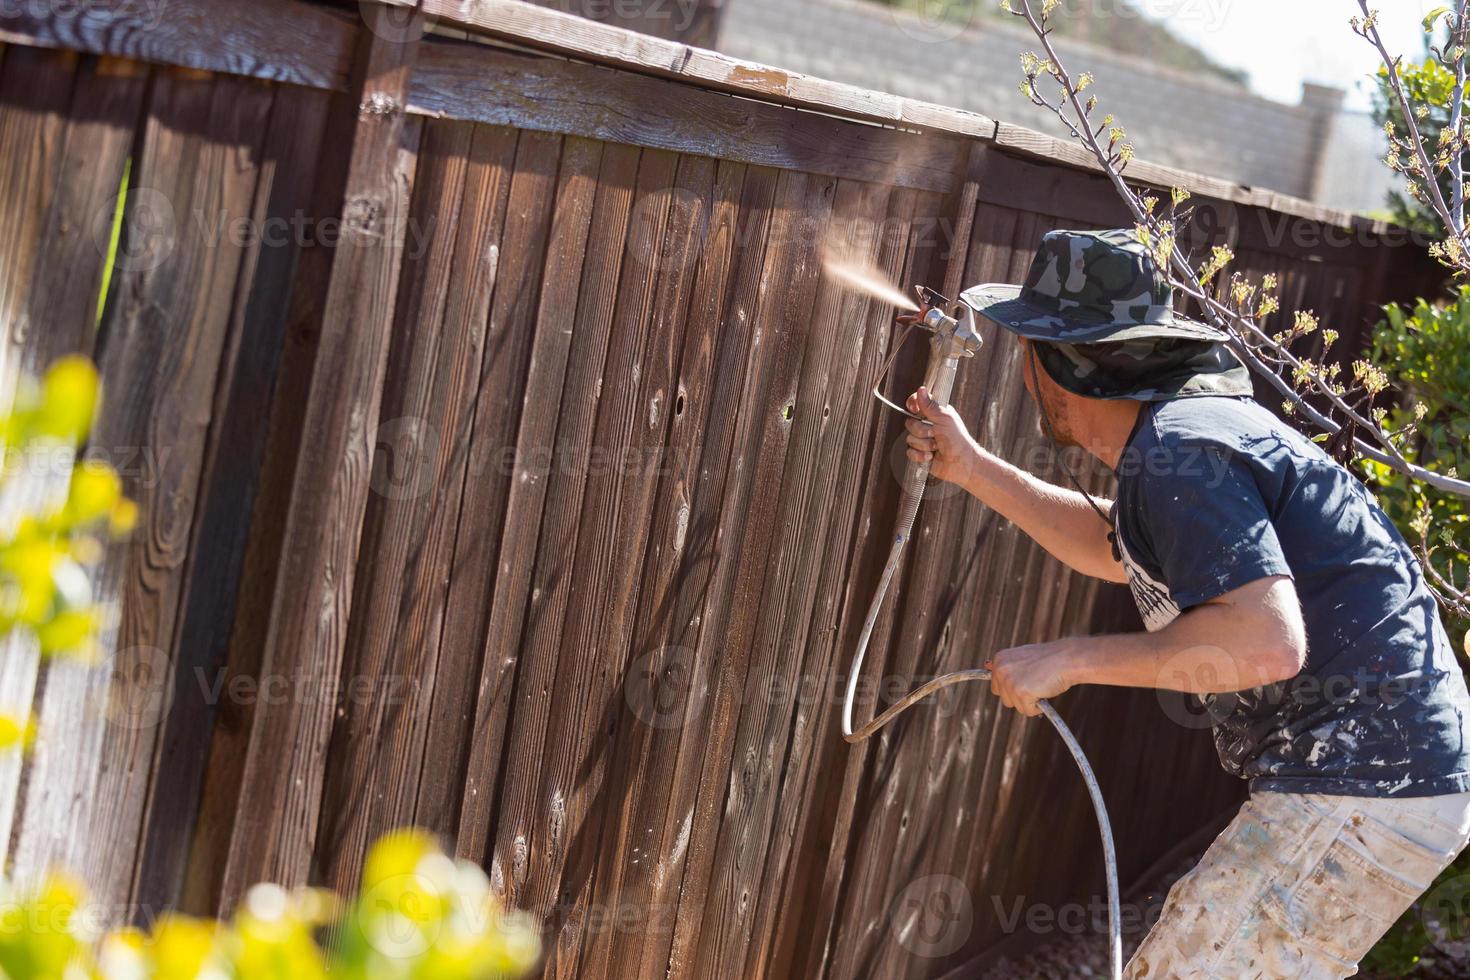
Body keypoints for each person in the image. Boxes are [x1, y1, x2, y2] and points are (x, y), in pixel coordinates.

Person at [902, 228, 1470, 978]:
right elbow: (1117, 548)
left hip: (1364, 780)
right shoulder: (1180, 443)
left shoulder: (1185, 450)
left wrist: (1070, 658)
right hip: (1387, 778)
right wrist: (970, 467)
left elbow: (1264, 643)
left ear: (1061, 361)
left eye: (1029, 346)